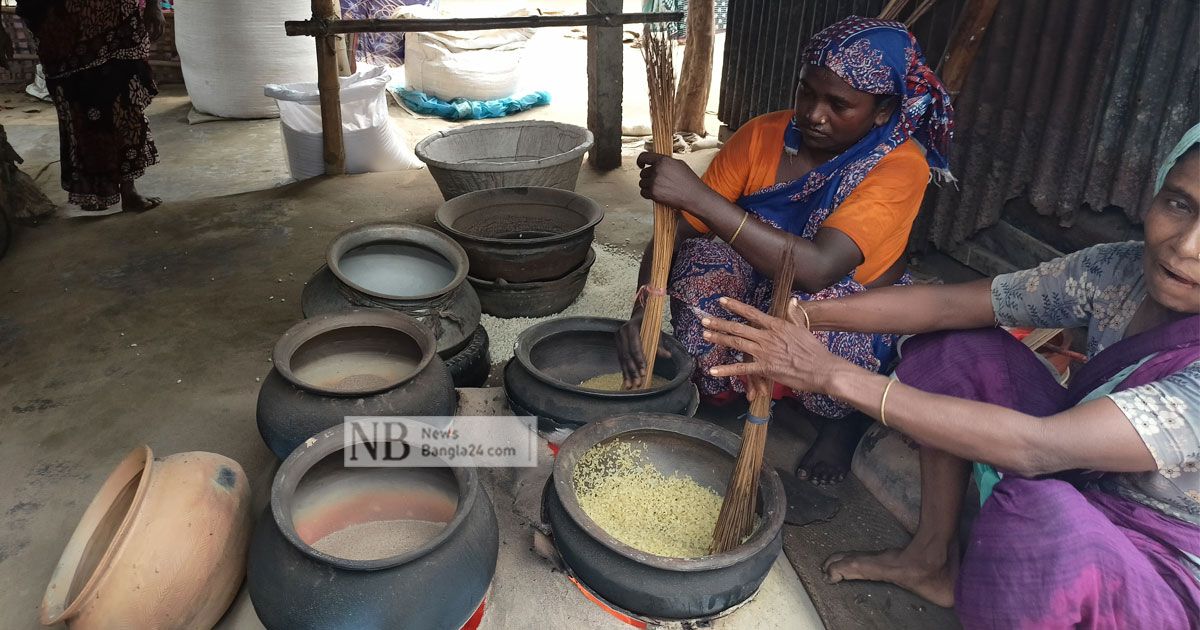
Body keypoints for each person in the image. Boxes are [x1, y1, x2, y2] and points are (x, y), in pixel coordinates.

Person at [698, 124, 1200, 627]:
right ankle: (930, 559)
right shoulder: (1119, 270)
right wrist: (812, 315)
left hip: (1164, 560)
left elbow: (1040, 447)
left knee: (1042, 523)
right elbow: (947, 305)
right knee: (955, 349)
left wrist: (828, 372)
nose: (1185, 247)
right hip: (1091, 465)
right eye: (1179, 204)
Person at [617, 16, 954, 484]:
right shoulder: (762, 135)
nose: (814, 114)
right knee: (699, 266)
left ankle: (842, 420)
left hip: (840, 300)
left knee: (813, 312)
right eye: (807, 93)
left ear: (882, 111)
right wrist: (642, 308)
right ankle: (728, 386)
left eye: (839, 104)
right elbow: (677, 233)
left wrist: (697, 195)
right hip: (763, 278)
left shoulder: (901, 166)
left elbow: (818, 269)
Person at [16, 0, 165, 213]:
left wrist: (153, 4)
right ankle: (93, 187)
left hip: (116, 16)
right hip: (59, 24)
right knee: (79, 106)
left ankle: (128, 191)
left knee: (123, 101)